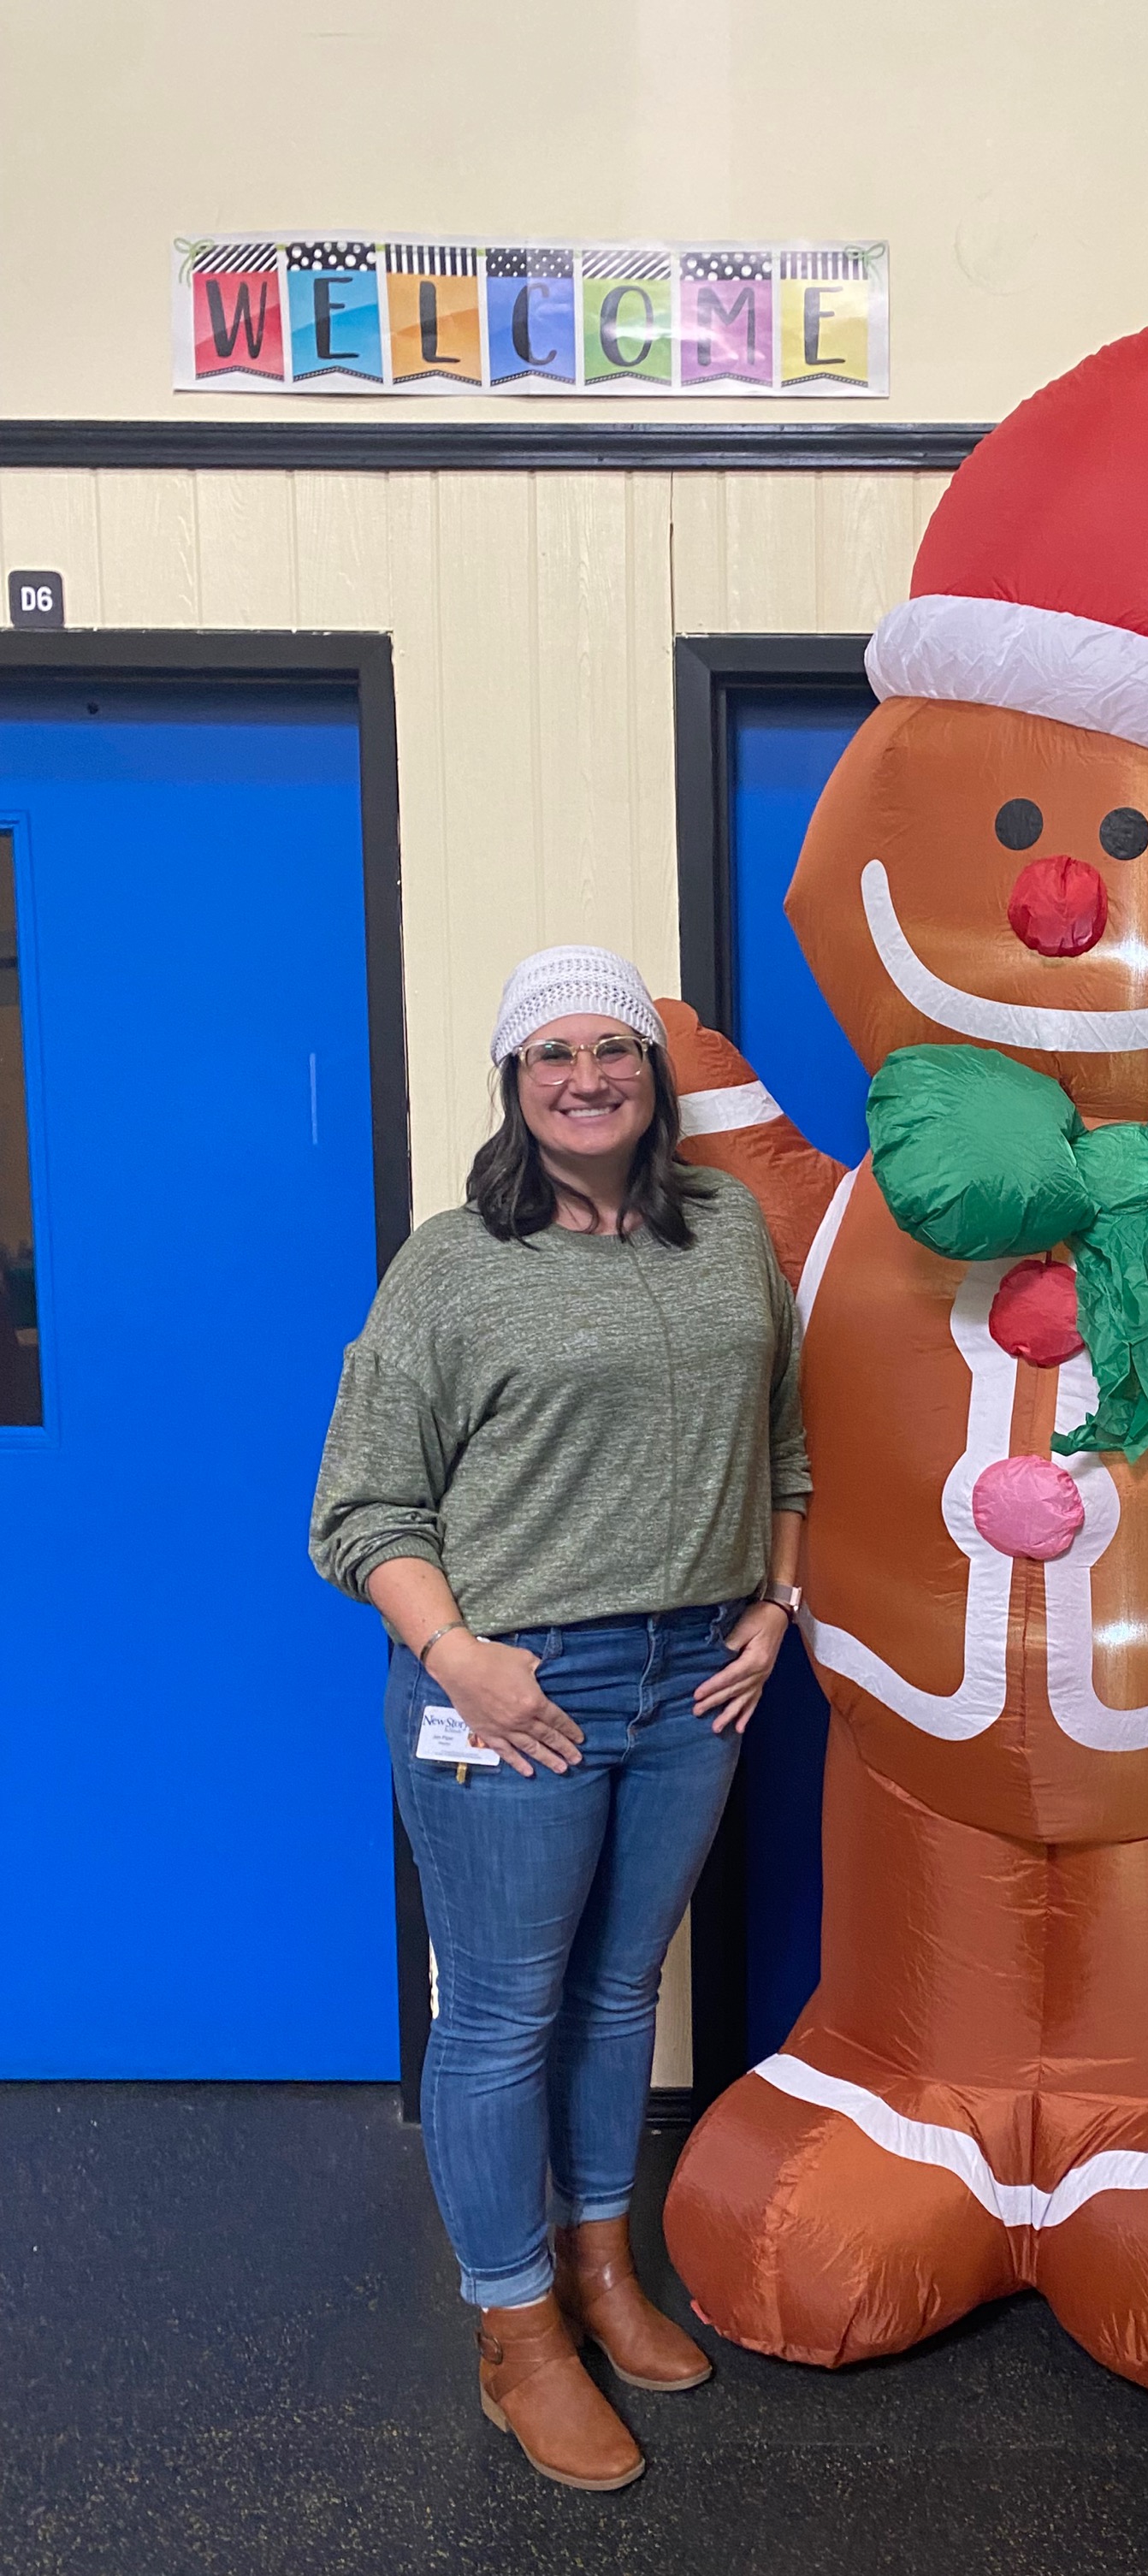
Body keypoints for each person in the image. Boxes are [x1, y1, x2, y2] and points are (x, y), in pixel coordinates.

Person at [312, 944, 810, 2493]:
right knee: (506, 2009)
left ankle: (602, 2269)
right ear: (514, 1089)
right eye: (554, 1057)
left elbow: (785, 1436)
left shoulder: (725, 1228)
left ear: (653, 1082)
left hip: (694, 1683)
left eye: (616, 1050)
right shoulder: (451, 1266)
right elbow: (360, 1508)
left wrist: (777, 1605)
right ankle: (515, 2326)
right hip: (517, 1691)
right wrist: (459, 1655)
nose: (589, 1077)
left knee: (614, 1999)